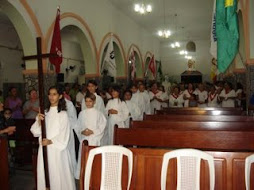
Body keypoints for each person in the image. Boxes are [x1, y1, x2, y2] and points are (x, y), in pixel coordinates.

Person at [30, 86, 76, 190]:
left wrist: (51, 141)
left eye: (54, 94)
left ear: (60, 96)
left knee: (58, 175)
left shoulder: (63, 114)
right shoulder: (44, 112)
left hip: (57, 150)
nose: (51, 96)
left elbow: (64, 134)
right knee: (46, 175)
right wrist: (38, 120)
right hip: (45, 149)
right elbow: (35, 131)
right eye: (50, 94)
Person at [75, 93, 106, 179]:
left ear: (94, 102)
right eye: (86, 101)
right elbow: (78, 125)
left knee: (93, 158)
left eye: (90, 101)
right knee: (83, 157)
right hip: (84, 139)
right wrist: (82, 131)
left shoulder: (98, 113)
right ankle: (84, 175)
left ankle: (94, 175)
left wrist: (93, 132)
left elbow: (102, 125)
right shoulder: (82, 113)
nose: (88, 103)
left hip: (94, 139)